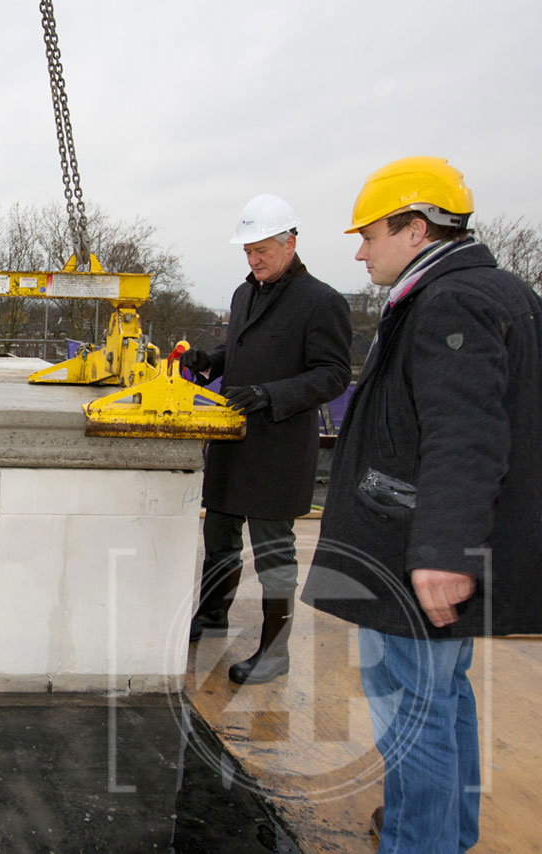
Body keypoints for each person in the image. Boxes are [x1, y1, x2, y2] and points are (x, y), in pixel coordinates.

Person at [302, 157, 542, 851]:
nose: (359, 249)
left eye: (370, 233)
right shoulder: (498, 292)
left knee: (414, 711)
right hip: (437, 539)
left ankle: (421, 841)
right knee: (441, 699)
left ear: (415, 228)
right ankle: (442, 830)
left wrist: (442, 552)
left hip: (411, 549)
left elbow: (466, 433)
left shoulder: (449, 304)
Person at [178, 193, 351, 685]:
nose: (254, 260)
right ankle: (212, 618)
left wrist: (270, 395)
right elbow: (242, 348)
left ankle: (274, 654)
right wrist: (211, 360)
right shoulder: (244, 292)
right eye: (248, 252)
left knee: (274, 553)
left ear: (290, 243)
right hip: (233, 441)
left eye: (263, 251)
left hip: (276, 446)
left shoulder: (322, 302)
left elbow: (333, 374)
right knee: (219, 539)